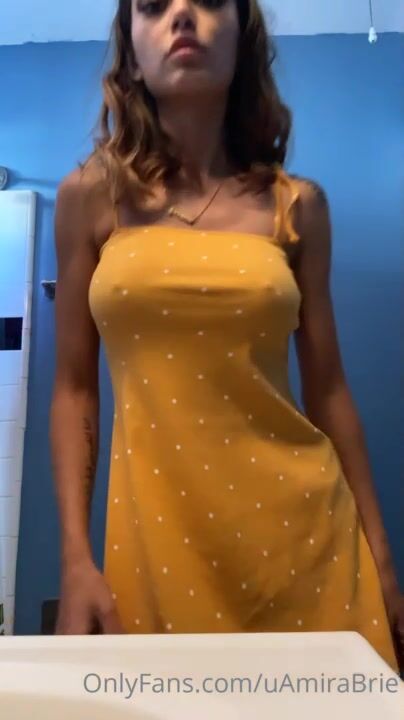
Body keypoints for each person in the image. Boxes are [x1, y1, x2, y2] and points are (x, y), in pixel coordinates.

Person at [50, 0, 403, 671]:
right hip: (157, 549)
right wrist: (75, 558)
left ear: (244, 39)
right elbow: (73, 391)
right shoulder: (88, 198)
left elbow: (329, 392)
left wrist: (382, 558)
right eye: (154, 6)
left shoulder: (298, 207)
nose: (183, 14)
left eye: (210, 0)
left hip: (306, 545)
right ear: (131, 53)